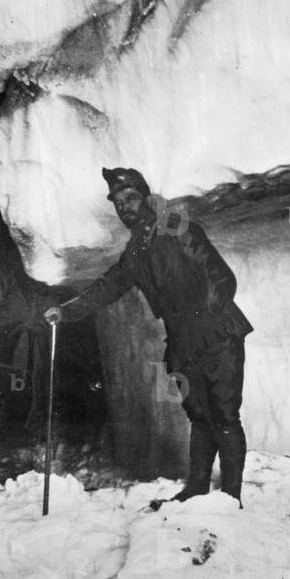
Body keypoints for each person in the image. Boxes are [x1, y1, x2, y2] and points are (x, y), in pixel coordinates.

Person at [44, 167, 252, 507]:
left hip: (218, 335)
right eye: (118, 203)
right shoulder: (134, 253)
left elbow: (222, 278)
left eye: (130, 199)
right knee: (200, 417)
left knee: (224, 415)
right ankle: (197, 488)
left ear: (145, 197)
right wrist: (66, 311)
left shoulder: (178, 228)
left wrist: (202, 317)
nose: (124, 207)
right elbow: (108, 287)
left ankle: (231, 496)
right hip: (183, 342)